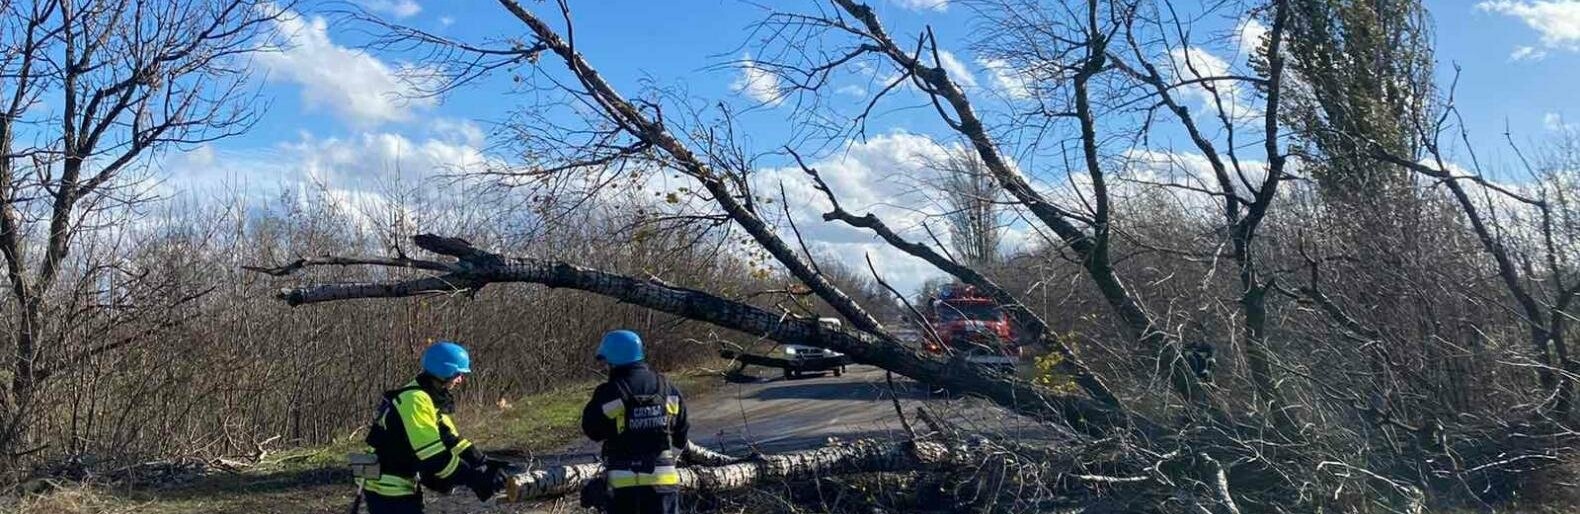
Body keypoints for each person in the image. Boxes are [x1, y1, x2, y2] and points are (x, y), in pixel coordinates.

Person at [356, 341, 509, 514]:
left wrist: (482, 461)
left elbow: (451, 439)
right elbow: (433, 457)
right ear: (445, 372)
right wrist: (472, 477)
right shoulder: (415, 400)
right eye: (458, 373)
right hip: (387, 485)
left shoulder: (429, 398)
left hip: (397, 479)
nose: (460, 379)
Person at [580, 330, 689, 514]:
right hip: (664, 488)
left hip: (625, 492)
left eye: (606, 362)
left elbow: (592, 430)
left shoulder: (610, 392)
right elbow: (681, 437)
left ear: (613, 361)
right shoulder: (667, 388)